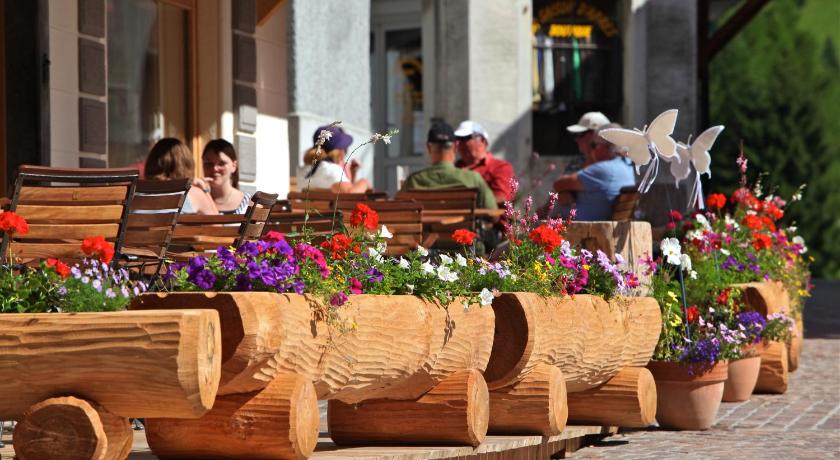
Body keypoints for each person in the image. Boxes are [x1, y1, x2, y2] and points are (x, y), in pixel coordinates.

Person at [401, 122, 497, 210]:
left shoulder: (413, 181)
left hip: (424, 224)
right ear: (455, 147)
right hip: (464, 224)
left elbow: (399, 210)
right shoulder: (473, 179)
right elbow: (493, 213)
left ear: (429, 147)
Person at [550, 123, 636, 220]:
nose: (592, 150)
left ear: (605, 146)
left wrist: (565, 191)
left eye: (594, 145)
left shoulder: (604, 169)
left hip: (577, 226)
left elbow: (558, 184)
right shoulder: (626, 165)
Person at [144, 138, 219, 215]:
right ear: (187, 164)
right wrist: (205, 190)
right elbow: (217, 221)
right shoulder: (193, 194)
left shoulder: (138, 194)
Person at [453, 120, 514, 205]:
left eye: (465, 138)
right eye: (457, 139)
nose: (458, 143)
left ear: (482, 140)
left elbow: (502, 198)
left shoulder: (501, 167)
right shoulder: (454, 168)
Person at [297, 125, 371, 193]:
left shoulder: (302, 170)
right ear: (339, 151)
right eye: (344, 148)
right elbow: (349, 193)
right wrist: (364, 182)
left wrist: (352, 173)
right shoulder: (332, 170)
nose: (345, 152)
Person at [202, 139, 252, 214]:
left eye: (221, 163)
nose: (214, 168)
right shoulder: (194, 200)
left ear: (234, 166)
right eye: (209, 163)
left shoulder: (248, 204)